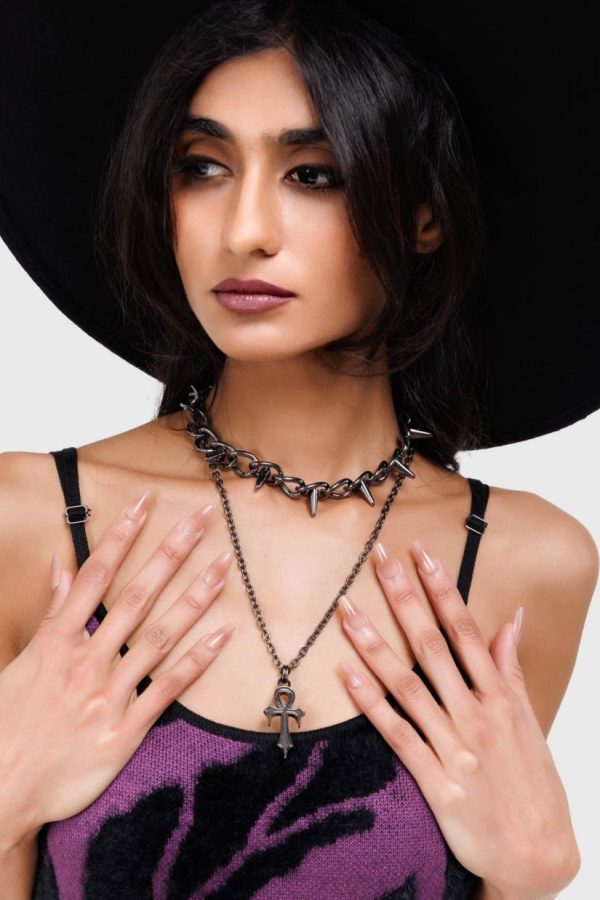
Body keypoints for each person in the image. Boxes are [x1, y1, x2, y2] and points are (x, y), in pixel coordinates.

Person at [0, 2, 597, 898]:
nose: (244, 229)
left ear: (425, 214)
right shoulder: (32, 521)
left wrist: (532, 880)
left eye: (313, 174)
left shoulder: (530, 562)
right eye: (202, 167)